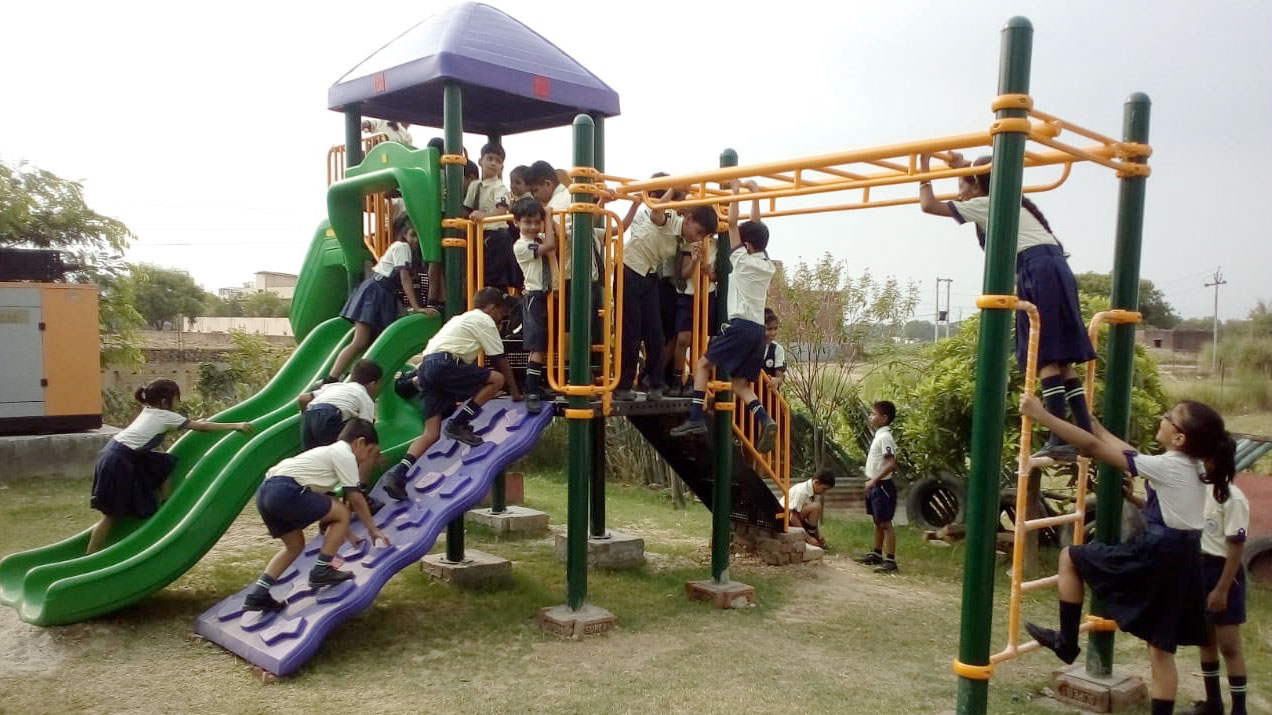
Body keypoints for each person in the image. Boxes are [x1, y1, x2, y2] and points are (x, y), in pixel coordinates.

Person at [1019, 395, 1236, 715]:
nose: (1162, 418)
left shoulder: (1169, 466)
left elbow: (1095, 449)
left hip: (1160, 553)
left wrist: (1042, 416)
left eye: (1168, 416)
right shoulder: (1190, 465)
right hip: (1183, 556)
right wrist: (1095, 425)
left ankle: (1066, 642)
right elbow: (1120, 449)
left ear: (1178, 438)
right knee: (1161, 649)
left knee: (1071, 556)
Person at [919, 152, 1095, 463]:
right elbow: (980, 179)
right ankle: (1082, 428)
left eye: (962, 184)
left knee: (1043, 354)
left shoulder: (989, 203)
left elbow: (928, 205)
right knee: (1062, 356)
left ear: (977, 186)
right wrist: (961, 168)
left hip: (1036, 269)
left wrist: (922, 170)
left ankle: (1060, 438)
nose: (958, 191)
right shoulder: (1009, 200)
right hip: (1055, 267)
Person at [380, 288, 521, 500]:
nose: (502, 318)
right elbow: (499, 359)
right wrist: (515, 391)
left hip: (427, 368)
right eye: (501, 312)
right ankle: (459, 422)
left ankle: (396, 474)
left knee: (431, 433)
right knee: (497, 379)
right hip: (444, 365)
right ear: (491, 308)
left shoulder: (460, 319)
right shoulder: (484, 320)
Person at [670, 180, 778, 452]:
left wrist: (737, 190)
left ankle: (695, 418)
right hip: (757, 332)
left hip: (740, 326)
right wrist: (756, 194)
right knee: (740, 384)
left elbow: (732, 223)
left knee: (702, 365)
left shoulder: (741, 260)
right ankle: (765, 419)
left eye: (743, 240)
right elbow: (757, 229)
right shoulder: (766, 263)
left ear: (747, 245)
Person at [242, 419, 390, 611]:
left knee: (294, 546)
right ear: (359, 442)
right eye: (369, 452)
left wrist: (349, 534)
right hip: (285, 489)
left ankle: (257, 595)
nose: (366, 458)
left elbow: (330, 506)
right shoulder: (344, 454)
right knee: (343, 512)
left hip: (265, 493)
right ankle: (321, 570)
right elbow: (355, 497)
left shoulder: (326, 456)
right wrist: (373, 529)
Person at [88, 380, 252, 553]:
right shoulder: (165, 415)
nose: (179, 402)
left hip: (118, 454)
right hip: (120, 460)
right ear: (165, 401)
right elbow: (201, 427)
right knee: (111, 515)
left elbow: (190, 424)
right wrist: (236, 425)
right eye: (177, 398)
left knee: (164, 463)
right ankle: (90, 553)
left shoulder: (150, 410)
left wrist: (194, 422)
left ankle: (166, 504)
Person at [614, 191, 718, 401]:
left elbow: (685, 270)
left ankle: (655, 384)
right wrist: (671, 188)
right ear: (688, 220)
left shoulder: (685, 238)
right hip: (629, 270)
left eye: (702, 235)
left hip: (649, 274)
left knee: (656, 333)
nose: (697, 237)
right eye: (698, 231)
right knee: (631, 331)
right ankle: (623, 386)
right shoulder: (669, 219)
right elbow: (656, 213)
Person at [1175, 480, 1250, 715]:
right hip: (1199, 568)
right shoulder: (1197, 491)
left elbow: (1236, 548)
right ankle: (1213, 703)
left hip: (1224, 571)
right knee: (1205, 639)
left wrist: (1222, 589)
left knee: (1229, 645)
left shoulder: (1233, 497)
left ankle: (1239, 709)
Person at [327, 213, 426, 382]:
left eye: (418, 236)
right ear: (404, 234)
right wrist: (416, 307)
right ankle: (332, 378)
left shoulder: (408, 251)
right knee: (360, 341)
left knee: (371, 341)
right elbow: (404, 278)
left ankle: (352, 377)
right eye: (412, 235)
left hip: (382, 293)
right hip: (375, 291)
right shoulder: (401, 247)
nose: (415, 240)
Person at [511, 197, 557, 414]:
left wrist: (550, 220)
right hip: (535, 296)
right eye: (527, 222)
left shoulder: (538, 239)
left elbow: (557, 238)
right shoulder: (521, 245)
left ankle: (538, 385)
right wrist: (548, 215)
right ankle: (531, 391)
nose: (532, 227)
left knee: (546, 344)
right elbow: (551, 245)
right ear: (516, 223)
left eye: (536, 222)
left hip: (548, 293)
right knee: (537, 346)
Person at [465, 143, 521, 294]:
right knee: (478, 274)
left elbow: (502, 210)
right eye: (490, 158)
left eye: (498, 161)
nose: (493, 163)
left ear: (502, 167)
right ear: (480, 161)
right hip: (479, 235)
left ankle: (499, 306)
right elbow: (468, 208)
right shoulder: (474, 186)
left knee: (493, 277)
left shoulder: (499, 187)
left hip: (496, 235)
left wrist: (483, 216)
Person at [298, 359, 381, 450]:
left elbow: (303, 398)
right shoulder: (364, 397)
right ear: (373, 384)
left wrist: (305, 414)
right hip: (330, 417)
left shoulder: (336, 386)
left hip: (309, 416)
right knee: (341, 451)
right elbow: (366, 428)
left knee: (311, 455)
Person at [855, 401, 899, 573]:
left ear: (884, 418)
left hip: (882, 486)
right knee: (877, 521)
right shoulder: (879, 436)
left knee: (886, 523)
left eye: (873, 414)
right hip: (874, 485)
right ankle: (877, 553)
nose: (870, 417)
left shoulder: (885, 437)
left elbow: (890, 464)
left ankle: (890, 560)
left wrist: (874, 480)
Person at [784, 469, 835, 548]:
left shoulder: (812, 491)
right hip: (783, 520)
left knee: (816, 507)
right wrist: (808, 538)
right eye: (824, 489)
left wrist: (818, 536)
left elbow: (812, 519)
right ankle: (809, 541)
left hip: (794, 518)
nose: (824, 492)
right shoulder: (802, 491)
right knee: (816, 506)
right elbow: (792, 517)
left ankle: (815, 540)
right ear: (816, 482)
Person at [762, 308, 786, 390]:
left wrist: (776, 380)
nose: (773, 333)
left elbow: (780, 377)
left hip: (769, 398)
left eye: (775, 328)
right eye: (769, 329)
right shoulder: (749, 347)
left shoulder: (777, 349)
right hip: (748, 398)